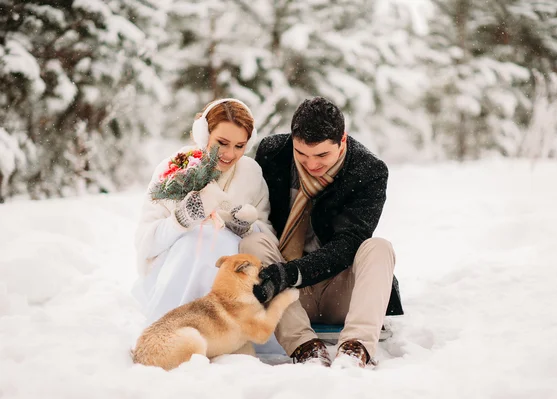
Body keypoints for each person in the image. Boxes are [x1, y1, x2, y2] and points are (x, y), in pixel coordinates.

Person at [240, 96, 403, 367]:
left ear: (342, 140)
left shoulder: (369, 171)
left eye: (322, 155)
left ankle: (356, 347)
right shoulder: (273, 153)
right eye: (301, 154)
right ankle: (304, 346)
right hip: (287, 297)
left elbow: (349, 243)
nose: (311, 165)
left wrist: (291, 273)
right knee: (253, 243)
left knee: (379, 247)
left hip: (340, 291)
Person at [132, 98, 284, 354]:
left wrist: (244, 227)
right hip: (176, 270)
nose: (230, 154)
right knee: (195, 241)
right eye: (221, 143)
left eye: (240, 146)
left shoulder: (251, 173)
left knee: (222, 245)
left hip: (228, 280)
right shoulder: (176, 167)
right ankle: (176, 330)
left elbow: (267, 237)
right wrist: (182, 219)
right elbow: (147, 244)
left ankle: (225, 335)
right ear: (204, 134)